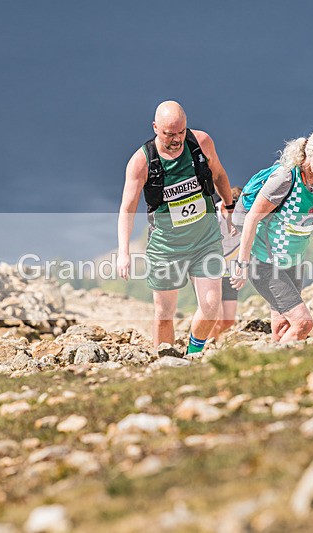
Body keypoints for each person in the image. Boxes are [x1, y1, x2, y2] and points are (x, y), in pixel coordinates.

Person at [117, 101, 236, 354]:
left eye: (181, 132)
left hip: (205, 240)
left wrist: (229, 205)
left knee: (212, 305)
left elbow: (219, 175)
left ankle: (193, 354)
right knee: (163, 313)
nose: (176, 139)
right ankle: (165, 361)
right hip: (166, 247)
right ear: (155, 128)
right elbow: (127, 209)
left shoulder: (201, 142)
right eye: (169, 134)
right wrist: (124, 251)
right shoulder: (141, 162)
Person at [231, 127, 313, 343]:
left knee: (283, 326)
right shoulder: (285, 178)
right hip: (265, 262)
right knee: (303, 323)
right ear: (312, 154)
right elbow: (252, 218)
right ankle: (271, 368)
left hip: (293, 260)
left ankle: (275, 368)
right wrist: (242, 264)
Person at [208, 186, 243, 340]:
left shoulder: (244, 218)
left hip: (231, 270)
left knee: (228, 321)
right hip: (210, 270)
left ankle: (205, 335)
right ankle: (207, 347)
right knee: (213, 317)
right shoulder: (212, 216)